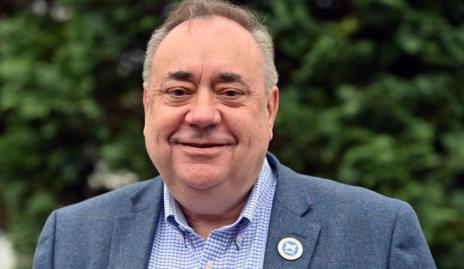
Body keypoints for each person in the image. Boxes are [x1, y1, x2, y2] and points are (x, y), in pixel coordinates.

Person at [33, 0, 436, 268]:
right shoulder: (72, 241)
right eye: (178, 91)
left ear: (269, 108)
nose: (203, 114)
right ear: (147, 106)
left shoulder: (377, 236)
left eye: (230, 92)